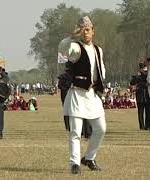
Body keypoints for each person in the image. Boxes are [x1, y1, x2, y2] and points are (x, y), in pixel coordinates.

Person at [58, 16, 106, 174]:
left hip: (92, 95)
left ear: (93, 31)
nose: (86, 33)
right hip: (77, 94)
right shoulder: (76, 47)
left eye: (88, 29)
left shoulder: (98, 49)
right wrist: (72, 36)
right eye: (83, 29)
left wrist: (101, 86)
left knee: (101, 129)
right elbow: (63, 50)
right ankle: (74, 163)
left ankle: (89, 158)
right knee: (75, 132)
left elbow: (101, 70)